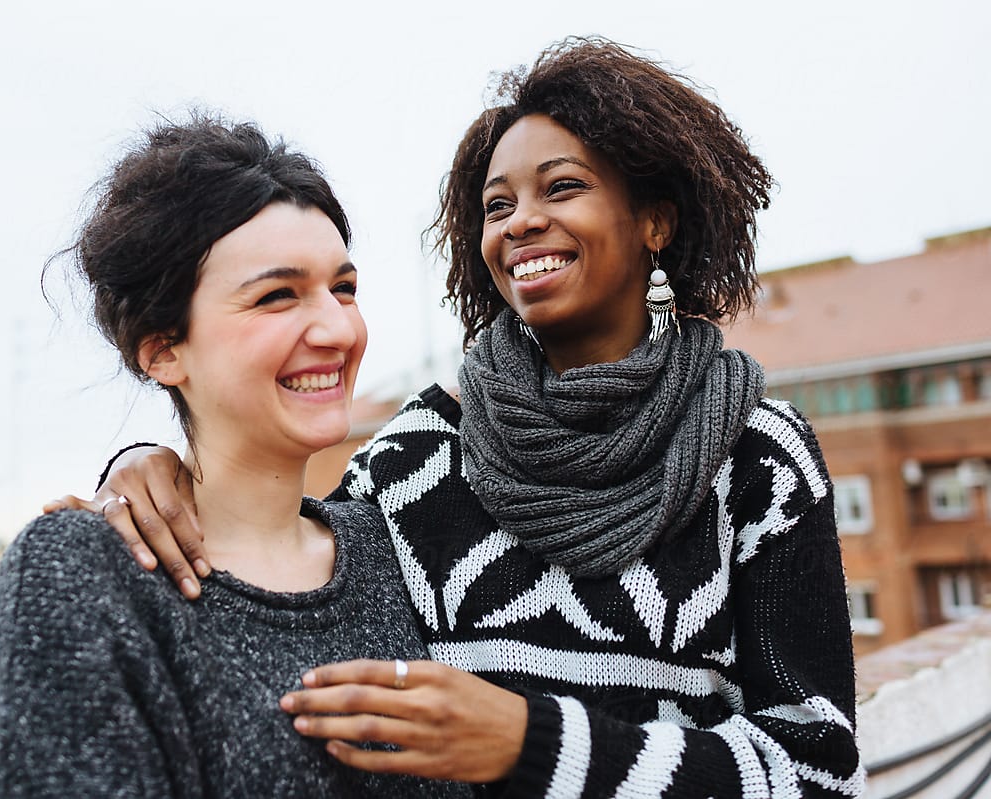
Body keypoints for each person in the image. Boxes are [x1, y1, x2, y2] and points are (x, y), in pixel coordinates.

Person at [64, 38, 864, 798]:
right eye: (496, 205)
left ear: (655, 219)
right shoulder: (420, 454)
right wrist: (156, 468)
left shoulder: (759, 460)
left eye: (562, 188)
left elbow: (818, 772)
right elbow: (281, 568)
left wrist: (531, 742)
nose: (520, 223)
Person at [0, 114, 472, 798]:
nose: (338, 328)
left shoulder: (401, 544)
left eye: (344, 287)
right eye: (277, 296)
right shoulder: (84, 575)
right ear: (162, 349)